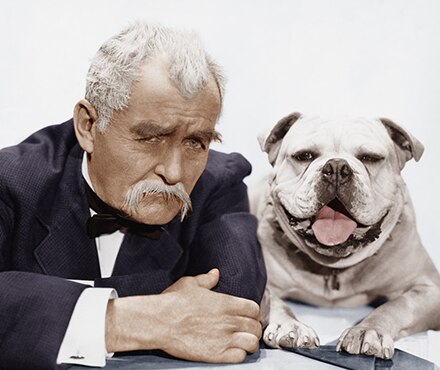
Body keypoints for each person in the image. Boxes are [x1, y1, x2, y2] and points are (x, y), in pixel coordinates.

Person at [0, 22, 266, 370]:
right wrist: (133, 321)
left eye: (195, 142)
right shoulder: (11, 181)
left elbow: (234, 313)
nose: (173, 172)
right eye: (151, 138)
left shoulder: (219, 182)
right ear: (88, 127)